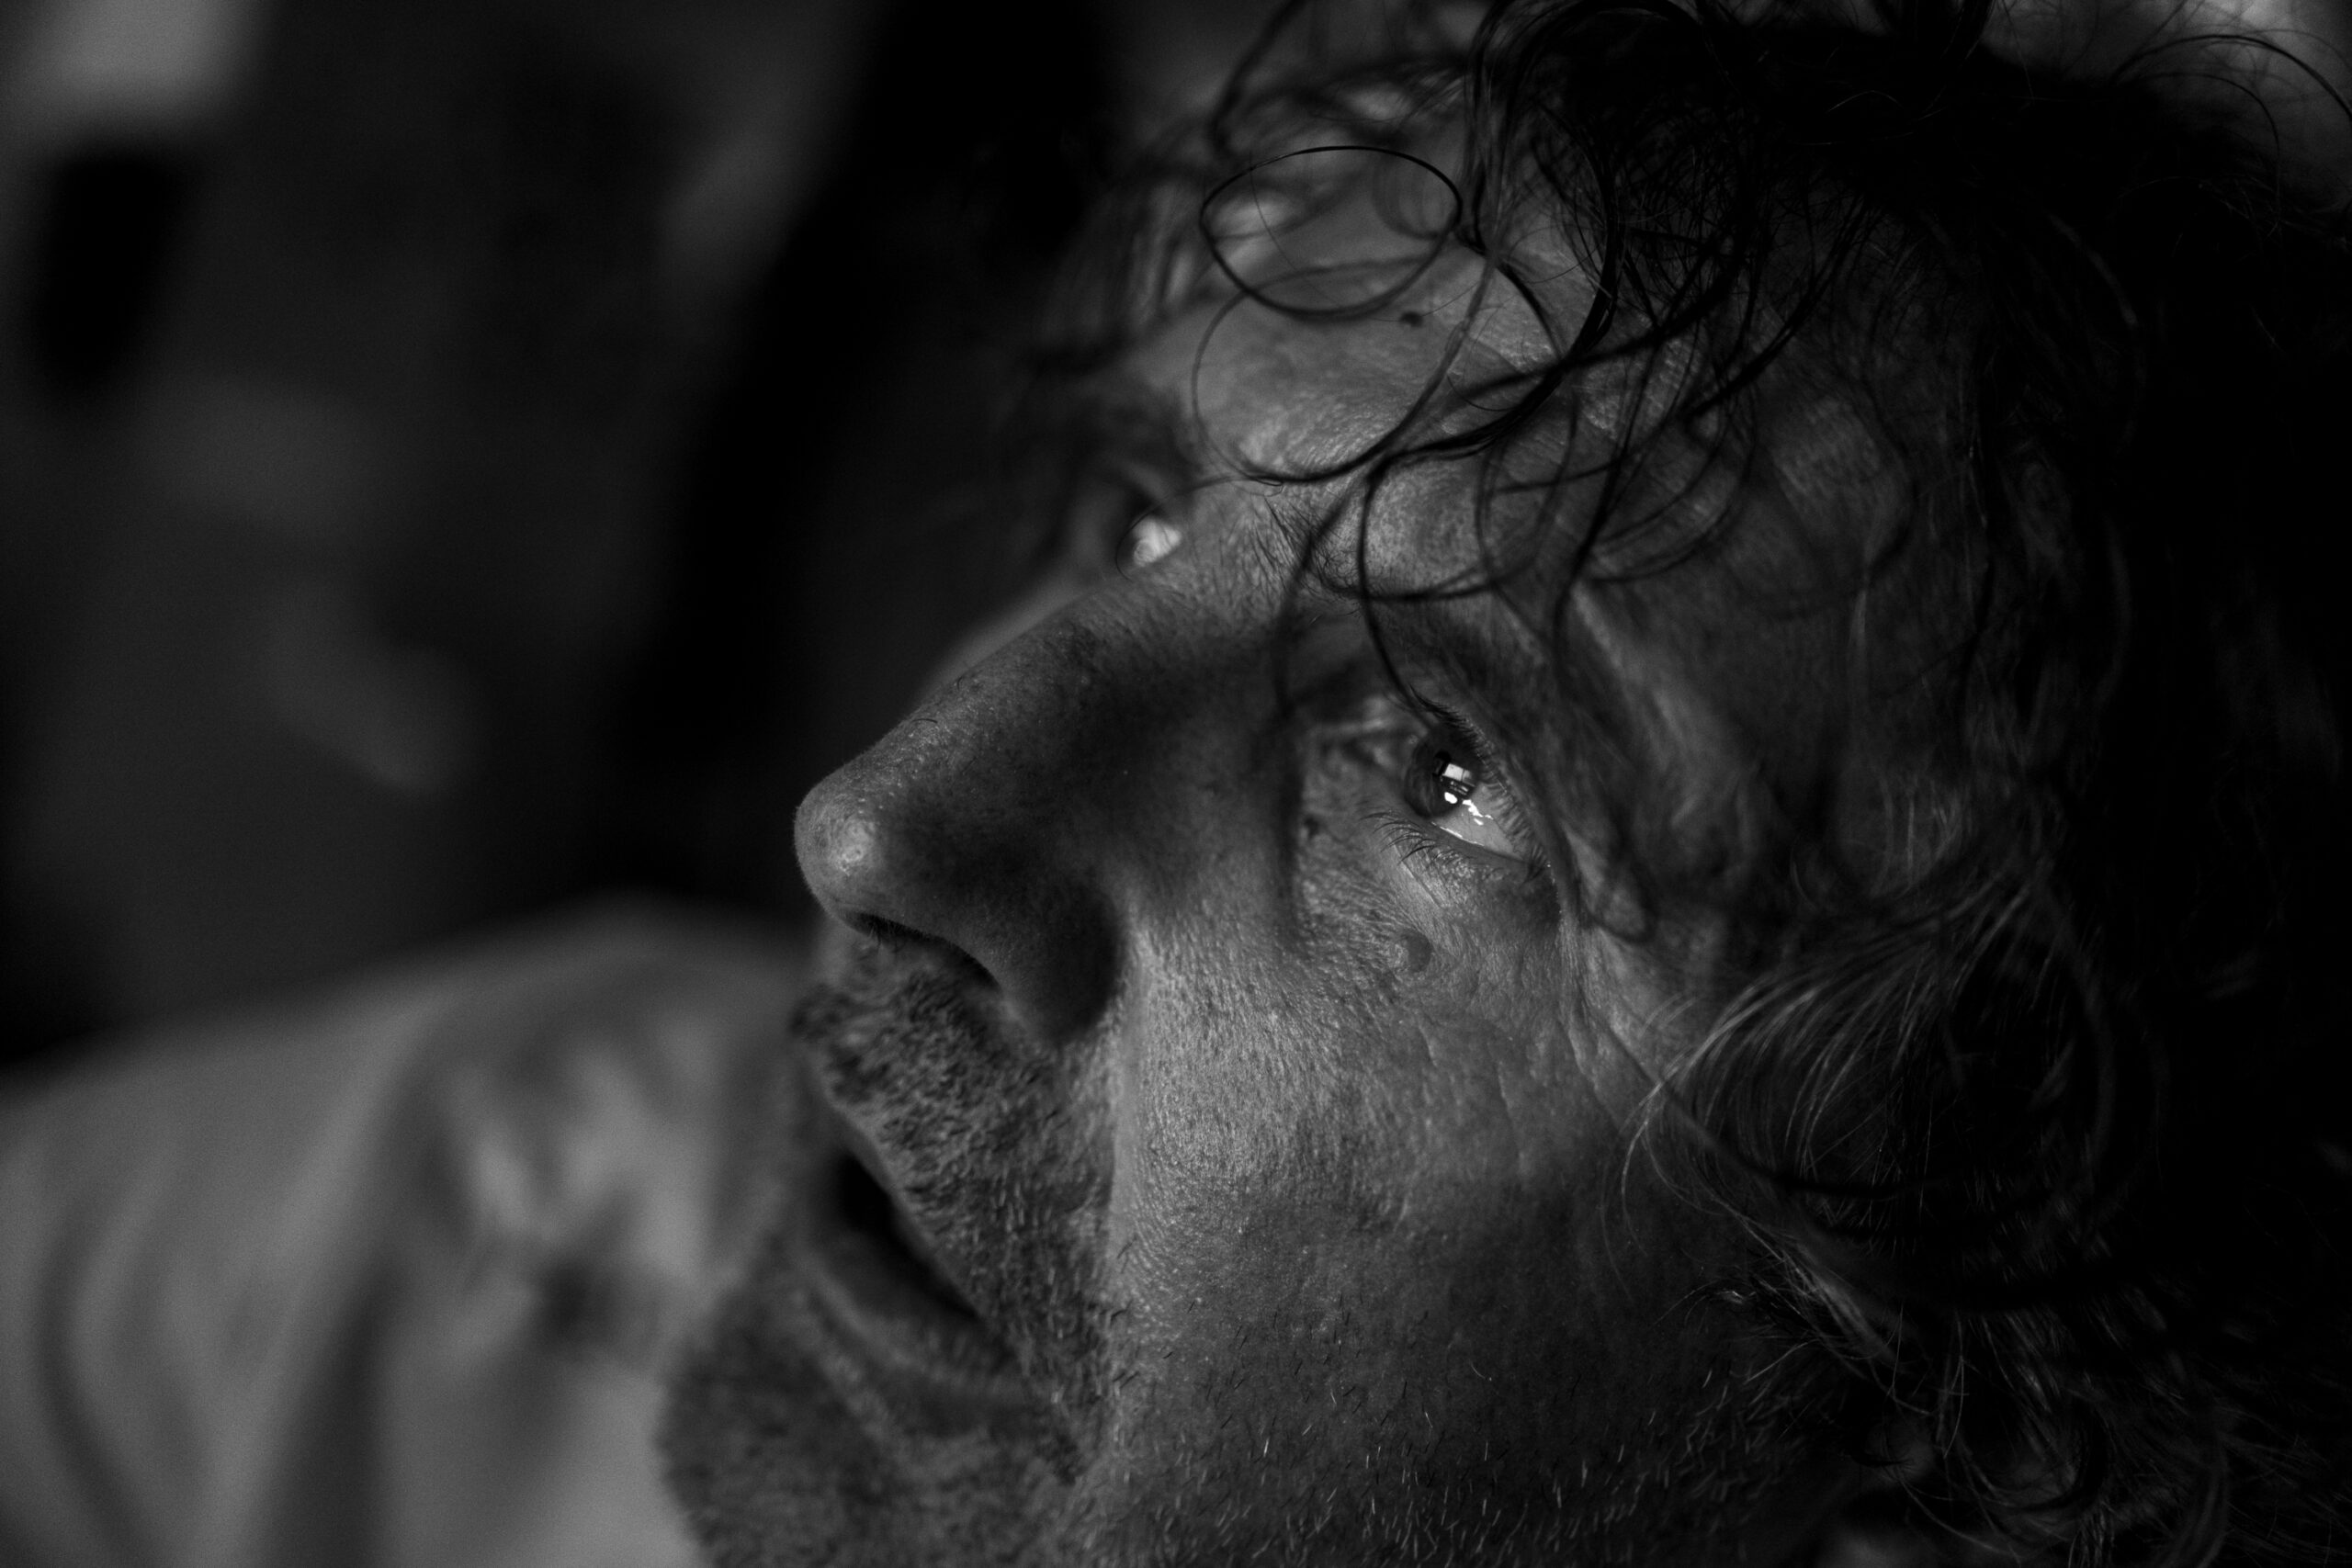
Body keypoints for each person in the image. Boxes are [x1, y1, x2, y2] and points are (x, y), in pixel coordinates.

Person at [6, 0, 2351, 1564]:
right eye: (1136, 512)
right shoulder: (482, 1192)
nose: (880, 825)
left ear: (1963, 1393)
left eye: (1445, 764)